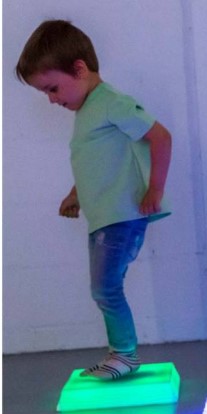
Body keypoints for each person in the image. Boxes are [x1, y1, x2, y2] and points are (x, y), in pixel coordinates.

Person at [16, 20, 172, 379]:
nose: (52, 99)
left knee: (105, 288)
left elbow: (161, 137)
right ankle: (120, 354)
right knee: (103, 289)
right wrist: (75, 194)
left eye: (53, 88)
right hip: (104, 217)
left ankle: (125, 355)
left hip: (122, 215)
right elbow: (95, 161)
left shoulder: (112, 103)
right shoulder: (88, 111)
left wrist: (155, 189)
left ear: (79, 69)